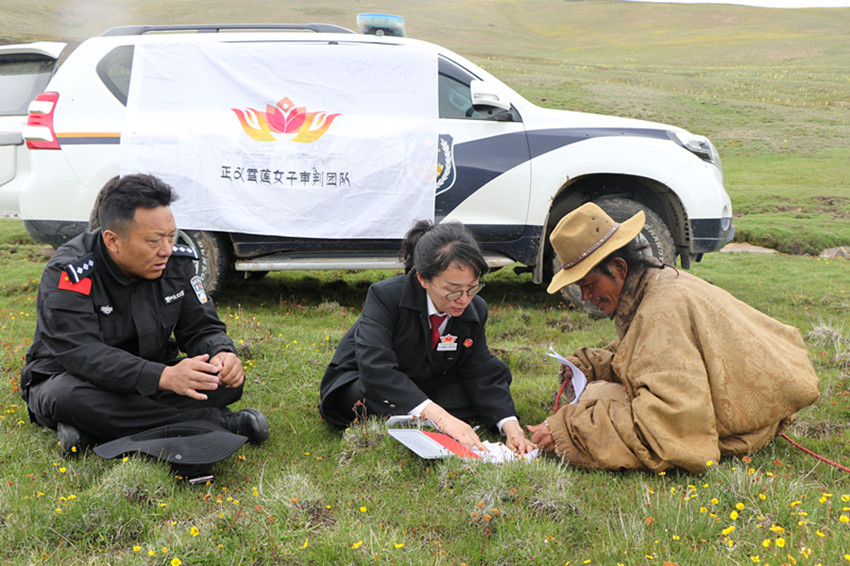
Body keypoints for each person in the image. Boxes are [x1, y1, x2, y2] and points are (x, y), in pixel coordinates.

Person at [529, 202, 819, 473]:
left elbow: (674, 419)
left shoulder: (661, 310)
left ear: (618, 268)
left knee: (594, 398)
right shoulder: (653, 284)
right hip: (749, 404)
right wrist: (591, 367)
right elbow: (643, 357)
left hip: (751, 425)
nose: (585, 297)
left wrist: (567, 431)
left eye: (588, 284)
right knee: (595, 393)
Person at [20, 174, 269, 456]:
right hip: (75, 378)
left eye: (171, 236)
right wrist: (162, 376)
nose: (166, 250)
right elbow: (82, 353)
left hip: (152, 376)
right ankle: (217, 422)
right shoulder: (71, 272)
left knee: (221, 382)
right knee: (71, 399)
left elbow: (201, 327)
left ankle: (92, 431)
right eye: (154, 241)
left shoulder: (175, 263)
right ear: (112, 240)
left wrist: (221, 354)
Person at [319, 220, 535, 454]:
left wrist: (510, 426)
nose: (463, 299)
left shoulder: (475, 310)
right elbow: (375, 368)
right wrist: (442, 417)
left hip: (427, 381)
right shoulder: (385, 296)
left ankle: (420, 411)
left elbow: (481, 370)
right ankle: (425, 412)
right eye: (452, 290)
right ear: (422, 279)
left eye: (472, 287)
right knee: (366, 395)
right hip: (366, 382)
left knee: (478, 388)